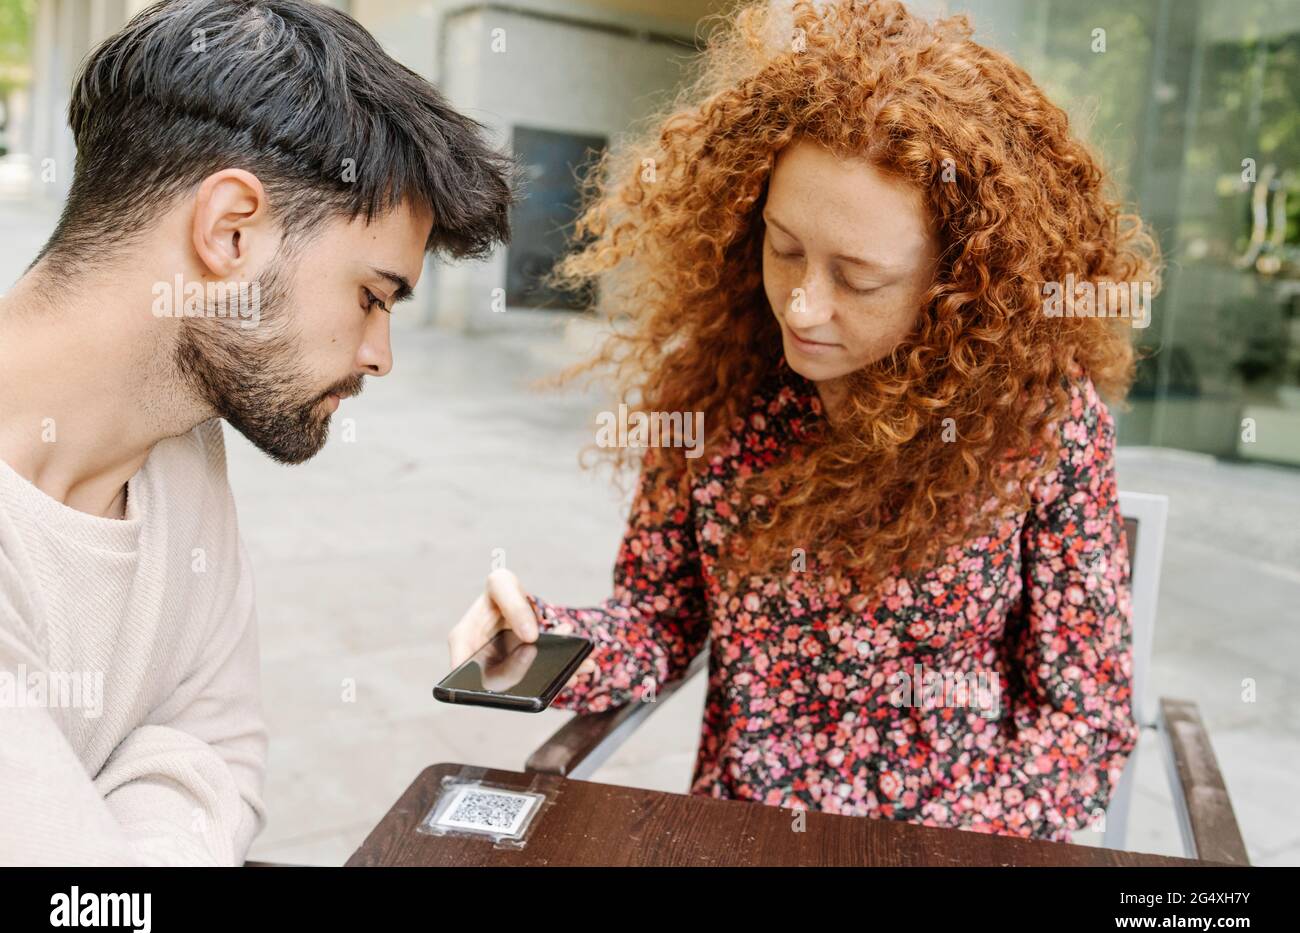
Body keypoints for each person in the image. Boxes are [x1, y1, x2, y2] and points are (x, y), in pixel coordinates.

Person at [449, 0, 1160, 842]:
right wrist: (536, 634)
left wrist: (950, 851)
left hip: (943, 845)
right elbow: (660, 625)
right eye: (784, 246)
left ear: (958, 283)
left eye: (858, 279)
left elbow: (1085, 721)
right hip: (741, 834)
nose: (802, 304)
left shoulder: (1040, 425)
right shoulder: (714, 394)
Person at [0, 0, 515, 864]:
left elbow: (220, 751)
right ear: (230, 230)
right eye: (372, 296)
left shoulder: (177, 442)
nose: (380, 355)